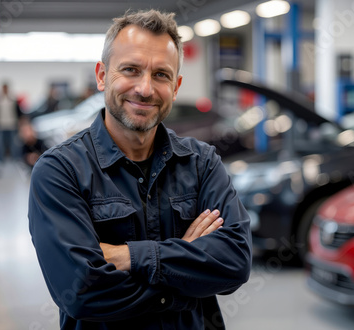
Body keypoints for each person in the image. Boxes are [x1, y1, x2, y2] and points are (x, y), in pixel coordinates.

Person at [28, 9, 252, 330]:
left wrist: (131, 256)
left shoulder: (202, 162)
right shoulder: (60, 172)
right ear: (102, 75)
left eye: (161, 75)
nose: (145, 89)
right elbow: (82, 292)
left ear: (175, 87)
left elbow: (235, 263)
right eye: (131, 70)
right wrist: (187, 268)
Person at [0, 82, 23, 162]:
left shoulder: (13, 99)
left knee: (14, 143)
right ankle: (0, 159)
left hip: (12, 124)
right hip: (0, 124)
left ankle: (15, 158)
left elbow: (18, 111)